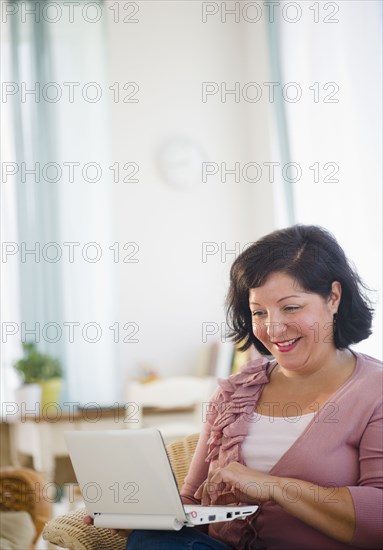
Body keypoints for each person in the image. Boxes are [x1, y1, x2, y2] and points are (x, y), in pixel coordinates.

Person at [86, 224, 383, 549]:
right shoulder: (234, 392)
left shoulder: (373, 391)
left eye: (291, 307)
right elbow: (193, 502)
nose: (273, 328)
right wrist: (144, 515)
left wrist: (272, 487)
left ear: (334, 297)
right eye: (259, 312)